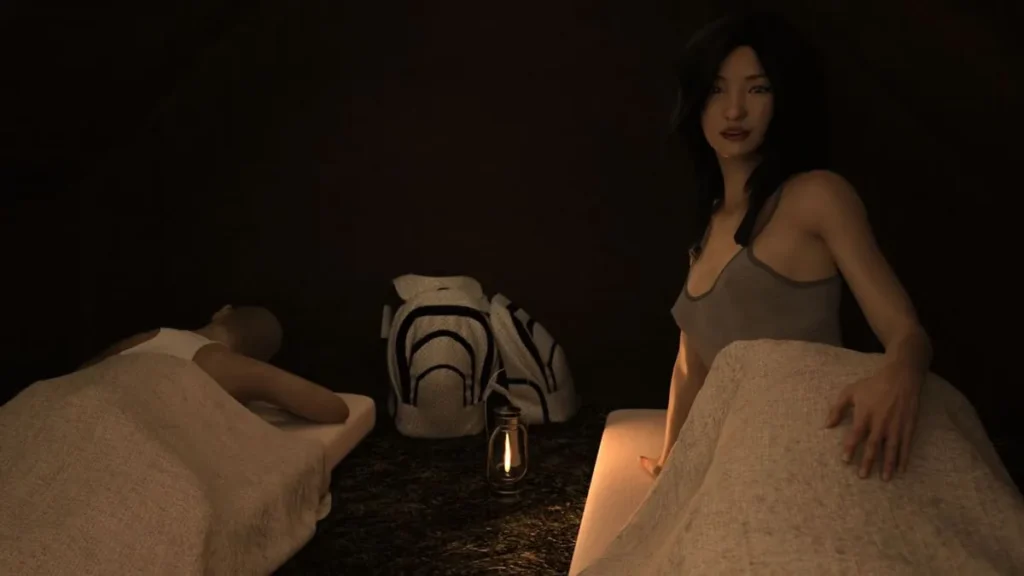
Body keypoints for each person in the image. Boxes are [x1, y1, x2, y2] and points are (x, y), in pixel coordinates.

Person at [639, 11, 931, 483]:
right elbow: (690, 367)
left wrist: (899, 374)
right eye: (716, 89)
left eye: (757, 89)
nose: (734, 110)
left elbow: (906, 333)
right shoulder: (709, 224)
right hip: (741, 457)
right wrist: (669, 462)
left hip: (816, 447)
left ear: (783, 99)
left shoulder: (816, 196)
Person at [81, 305, 350, 424]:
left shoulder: (147, 337)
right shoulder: (230, 366)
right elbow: (334, 408)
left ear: (222, 312)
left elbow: (81, 377)